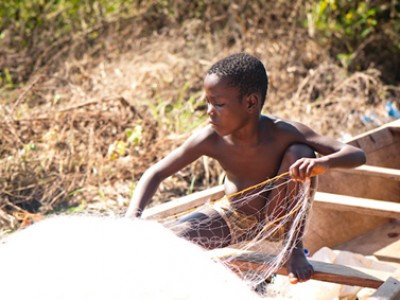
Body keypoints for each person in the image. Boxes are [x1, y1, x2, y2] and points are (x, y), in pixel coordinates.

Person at [125, 52, 366, 284]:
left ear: (251, 102)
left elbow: (356, 154)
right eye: (208, 102)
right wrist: (132, 216)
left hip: (279, 219)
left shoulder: (282, 132)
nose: (210, 111)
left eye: (218, 104)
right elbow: (156, 173)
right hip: (234, 216)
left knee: (300, 153)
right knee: (169, 243)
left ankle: (292, 248)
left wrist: (321, 163)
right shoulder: (210, 139)